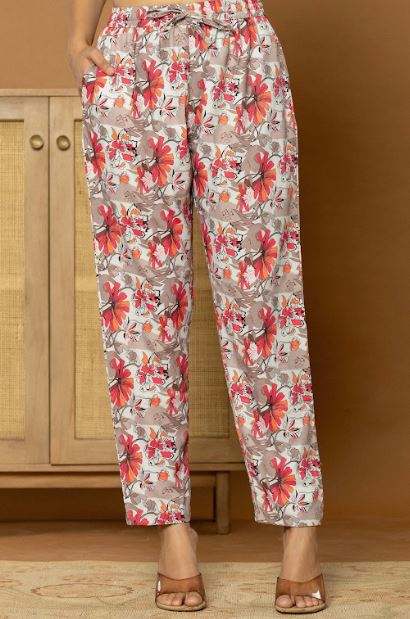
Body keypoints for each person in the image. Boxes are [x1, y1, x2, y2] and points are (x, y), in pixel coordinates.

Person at [68, 0, 326, 612]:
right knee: (140, 301)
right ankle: (171, 528)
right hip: (133, 57)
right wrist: (79, 40)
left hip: (240, 51)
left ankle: (299, 524)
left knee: (262, 296)